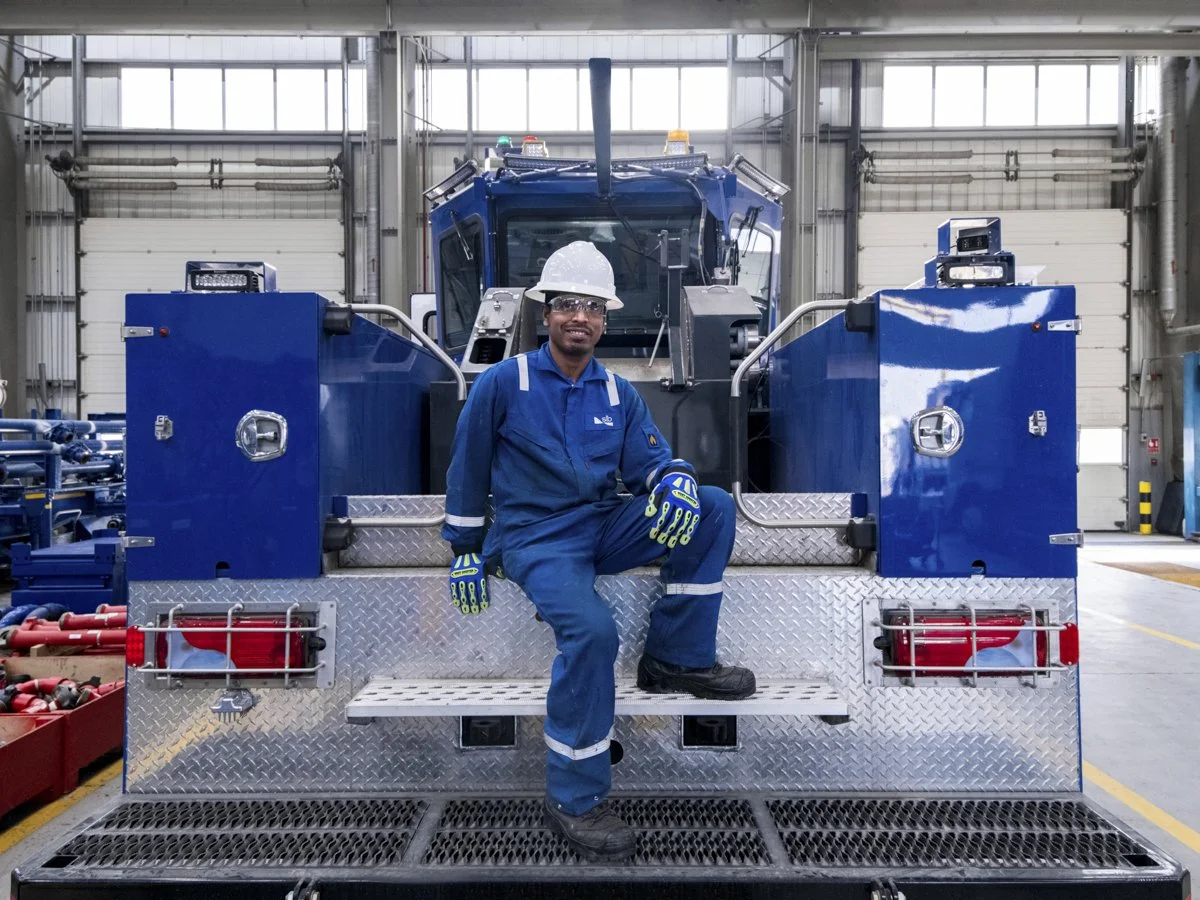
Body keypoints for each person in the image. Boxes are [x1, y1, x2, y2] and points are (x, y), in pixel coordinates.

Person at [442, 240, 755, 863]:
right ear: (546, 313)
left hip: (602, 523)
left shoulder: (616, 392)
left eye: (591, 307)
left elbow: (651, 461)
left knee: (713, 507)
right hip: (535, 538)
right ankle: (575, 798)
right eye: (566, 305)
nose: (578, 317)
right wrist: (465, 548)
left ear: (604, 319)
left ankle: (677, 659)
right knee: (592, 632)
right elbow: (466, 468)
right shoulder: (504, 383)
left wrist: (675, 480)